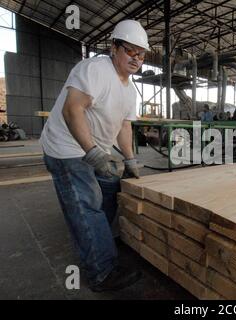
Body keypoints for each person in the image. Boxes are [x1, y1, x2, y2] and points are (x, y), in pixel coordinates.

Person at [39, 20, 148, 292]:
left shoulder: (129, 90)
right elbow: (72, 110)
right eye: (130, 51)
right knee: (86, 204)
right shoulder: (96, 70)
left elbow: (124, 126)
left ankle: (98, 239)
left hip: (94, 148)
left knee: (111, 186)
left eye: (141, 53)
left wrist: (130, 159)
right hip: (66, 149)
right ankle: (101, 271)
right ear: (114, 48)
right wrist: (92, 153)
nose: (136, 58)